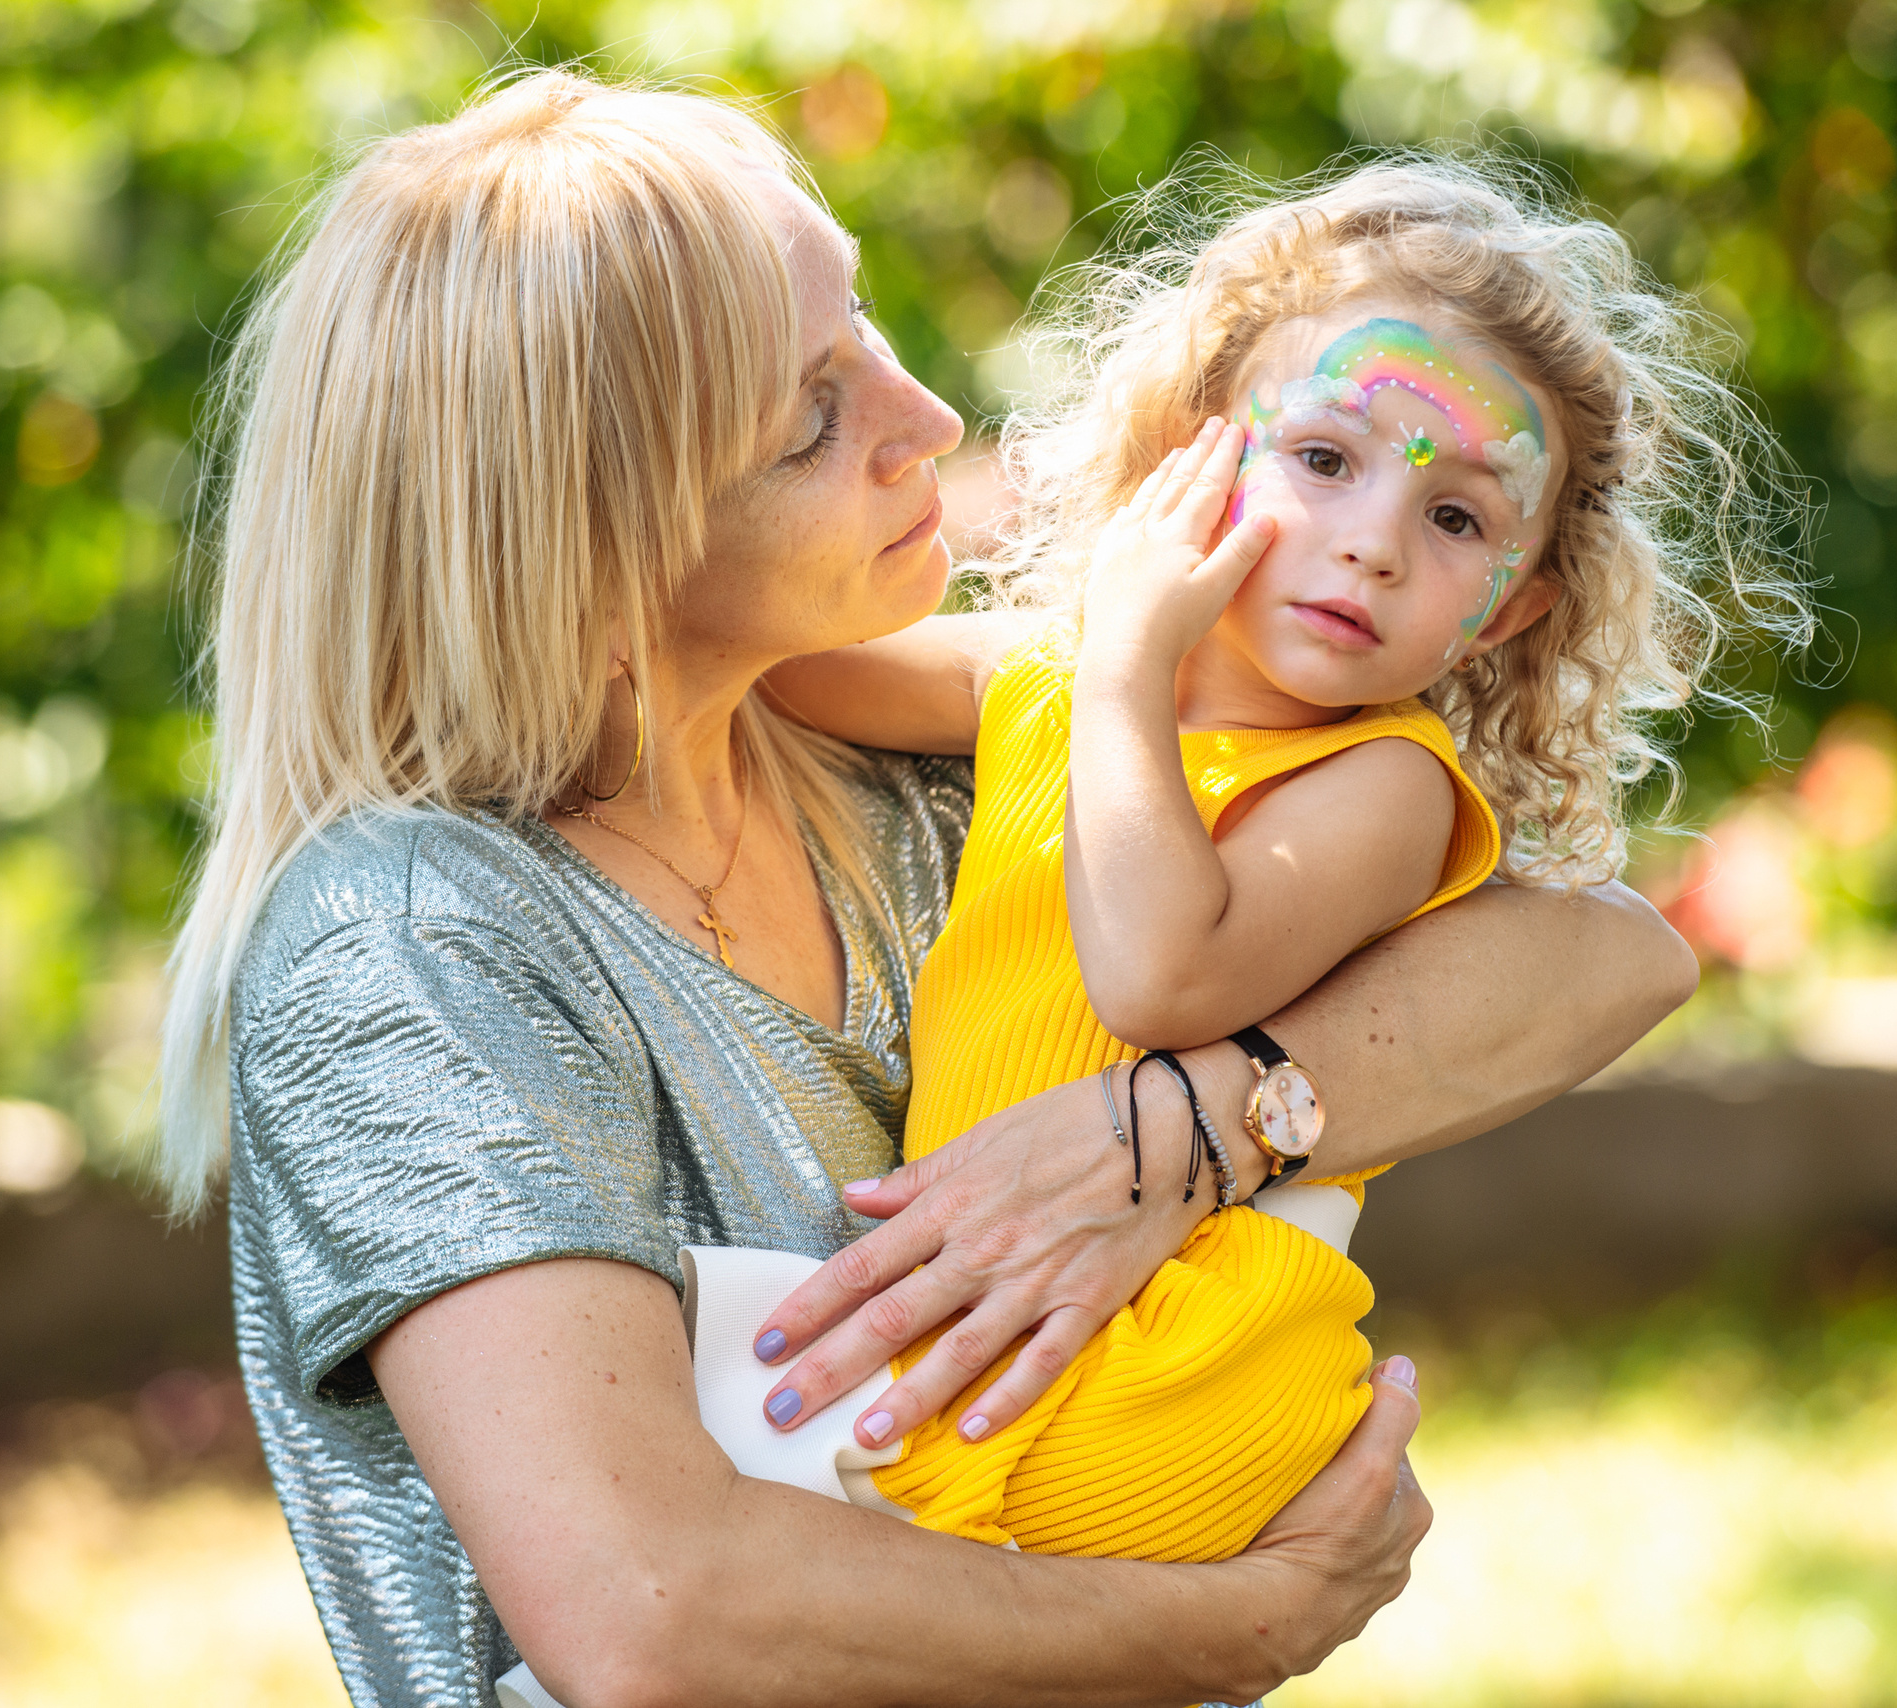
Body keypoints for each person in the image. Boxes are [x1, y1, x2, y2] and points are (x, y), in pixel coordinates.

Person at [154, 69, 1701, 1708]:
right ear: (593, 529)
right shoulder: (410, 935)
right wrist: (1234, 1630)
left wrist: (1195, 1128)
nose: (932, 422)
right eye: (815, 413)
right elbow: (655, 1620)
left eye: (871, 324)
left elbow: (1612, 959)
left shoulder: (925, 790)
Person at [734, 162, 1810, 1564]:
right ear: (1198, 455)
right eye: (1322, 460)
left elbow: (1162, 981)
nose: (1371, 543)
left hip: (1181, 1353)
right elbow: (792, 673)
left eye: (1458, 521)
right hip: (1021, 1311)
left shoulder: (1381, 784)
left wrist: (1124, 666)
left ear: (1508, 613)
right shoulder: (1057, 673)